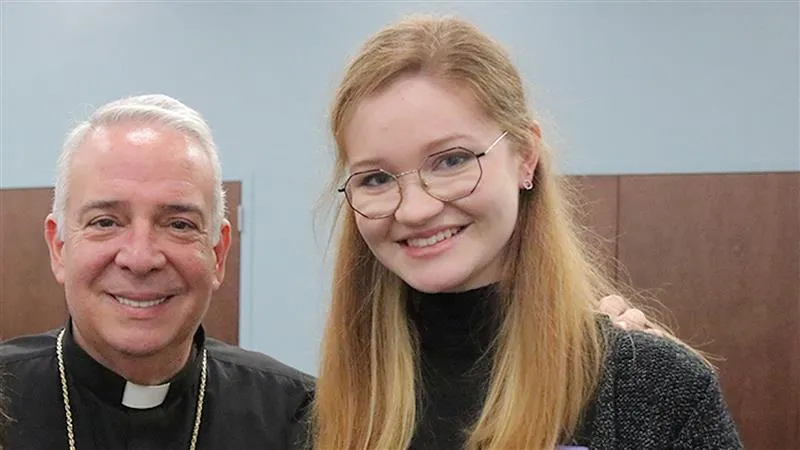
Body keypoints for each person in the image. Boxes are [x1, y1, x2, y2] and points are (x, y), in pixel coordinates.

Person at [309, 14, 743, 450]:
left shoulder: (652, 389)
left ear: (526, 156)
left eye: (452, 160)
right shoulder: (325, 413)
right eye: (377, 179)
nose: (417, 209)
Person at [0, 94, 313, 449]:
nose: (140, 258)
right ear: (59, 248)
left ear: (218, 252)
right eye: (105, 222)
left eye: (179, 225)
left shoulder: (298, 418)